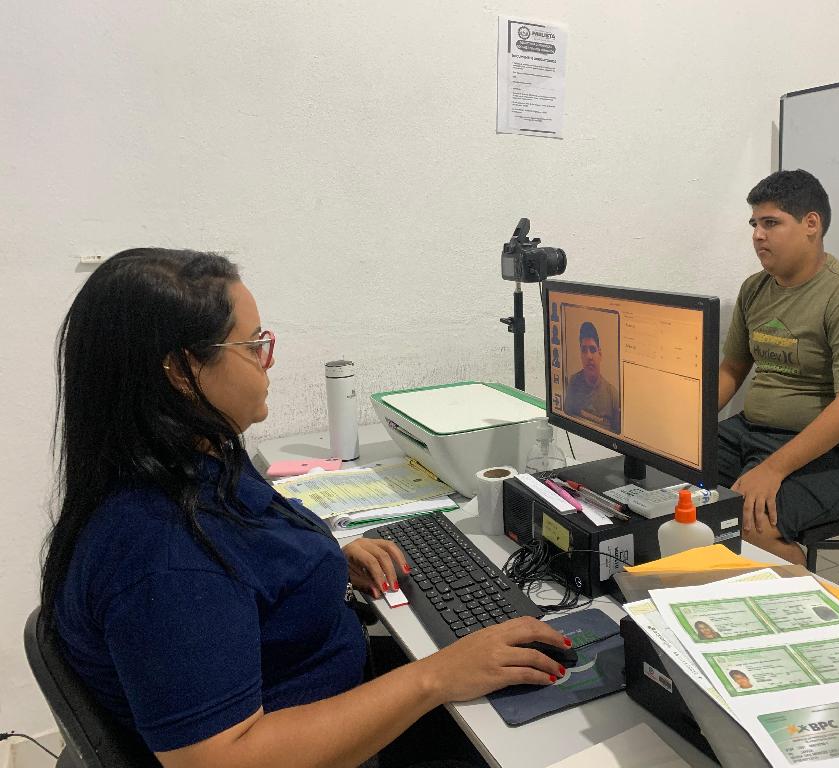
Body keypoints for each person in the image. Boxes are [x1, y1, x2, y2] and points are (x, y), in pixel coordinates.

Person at [42, 249, 570, 768]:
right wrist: (436, 677)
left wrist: (319, 560)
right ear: (183, 370)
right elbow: (223, 759)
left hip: (324, 690)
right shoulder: (164, 555)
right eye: (254, 345)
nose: (268, 360)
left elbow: (252, 549)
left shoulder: (194, 458)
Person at [718, 170, 839, 565]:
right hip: (754, 432)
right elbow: (731, 368)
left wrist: (772, 469)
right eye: (754, 224)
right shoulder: (754, 288)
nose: (757, 235)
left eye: (771, 223)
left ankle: (799, 590)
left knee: (752, 523)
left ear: (811, 224)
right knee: (668, 479)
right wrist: (684, 426)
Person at [564, 321, 621, 432]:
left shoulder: (613, 395)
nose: (589, 356)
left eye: (593, 350)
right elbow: (566, 419)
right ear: (581, 355)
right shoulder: (573, 383)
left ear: (600, 354)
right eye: (584, 350)